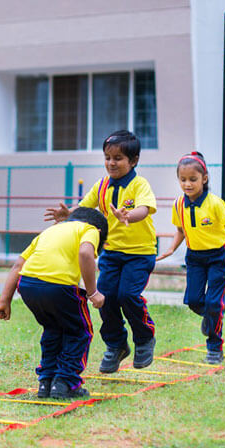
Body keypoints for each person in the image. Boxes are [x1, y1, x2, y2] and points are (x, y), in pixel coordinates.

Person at [45, 130, 158, 373]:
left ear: (134, 161)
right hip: (111, 253)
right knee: (104, 297)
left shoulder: (140, 184)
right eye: (107, 157)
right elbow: (85, 207)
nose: (111, 163)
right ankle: (116, 344)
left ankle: (145, 337)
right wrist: (69, 215)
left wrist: (129, 214)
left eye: (118, 158)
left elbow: (146, 208)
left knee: (127, 295)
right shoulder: (102, 185)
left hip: (139, 253)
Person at [0, 207, 108, 399]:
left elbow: (18, 265)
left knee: (53, 329)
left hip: (28, 284)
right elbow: (86, 254)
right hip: (59, 286)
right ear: (99, 232)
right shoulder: (90, 230)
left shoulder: (50, 231)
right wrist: (93, 292)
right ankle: (65, 382)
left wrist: (4, 301)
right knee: (79, 332)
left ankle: (46, 382)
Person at [156, 151, 225, 364]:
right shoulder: (178, 205)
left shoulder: (214, 203)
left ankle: (214, 346)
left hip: (217, 257)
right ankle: (212, 315)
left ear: (204, 178)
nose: (187, 184)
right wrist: (172, 248)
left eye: (192, 179)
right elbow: (181, 230)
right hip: (194, 258)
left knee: (213, 302)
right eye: (183, 180)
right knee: (193, 300)